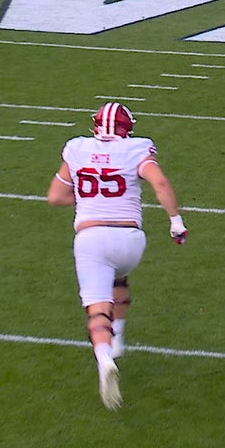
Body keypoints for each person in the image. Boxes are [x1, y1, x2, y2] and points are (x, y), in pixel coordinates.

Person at [45, 102, 188, 411]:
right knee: (118, 275)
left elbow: (55, 197)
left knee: (98, 311)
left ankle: (105, 359)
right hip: (131, 242)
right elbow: (160, 183)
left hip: (92, 239)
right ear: (128, 128)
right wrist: (176, 222)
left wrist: (89, 199)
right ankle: (119, 338)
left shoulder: (77, 148)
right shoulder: (136, 149)